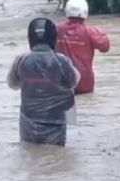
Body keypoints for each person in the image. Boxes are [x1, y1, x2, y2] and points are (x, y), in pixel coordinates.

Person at [7, 18, 80, 147]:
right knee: (56, 159)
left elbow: (12, 85)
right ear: (53, 38)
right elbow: (74, 81)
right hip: (56, 122)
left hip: (28, 122)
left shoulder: (21, 61)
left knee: (30, 157)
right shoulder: (62, 61)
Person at [56, 0, 110, 95]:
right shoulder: (90, 31)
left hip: (63, 81)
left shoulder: (57, 30)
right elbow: (105, 47)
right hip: (85, 82)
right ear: (85, 11)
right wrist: (101, 33)